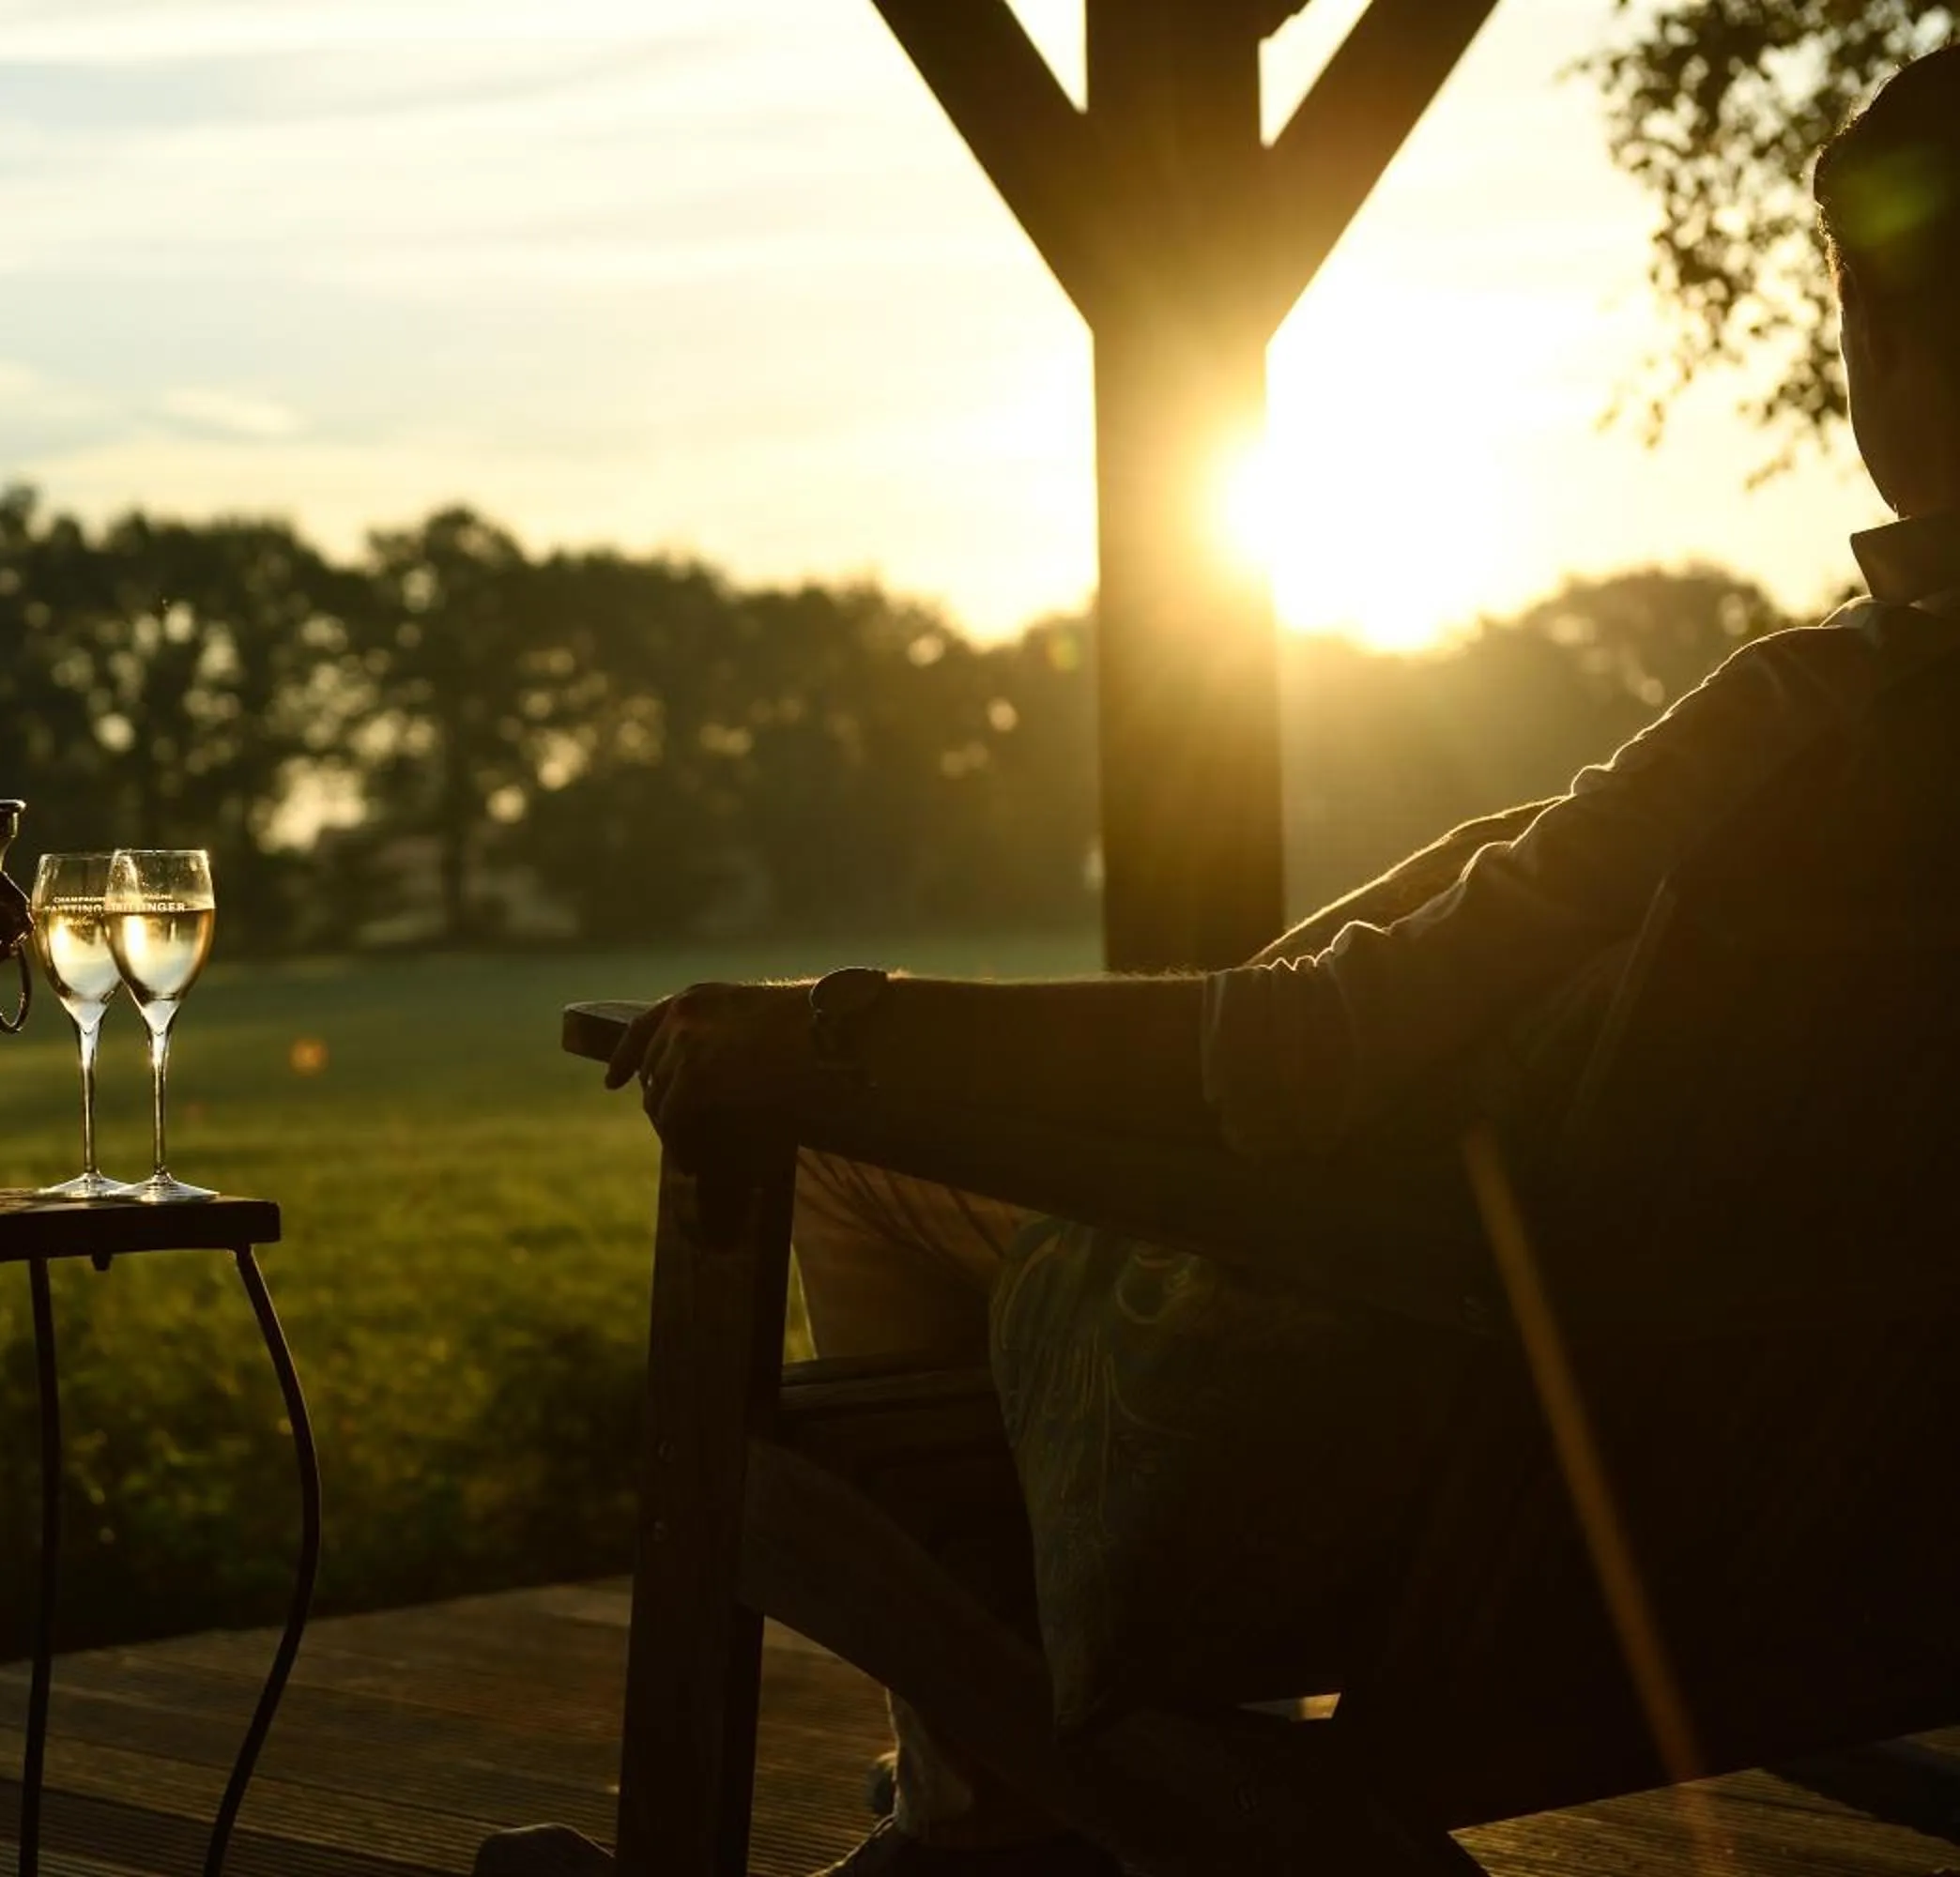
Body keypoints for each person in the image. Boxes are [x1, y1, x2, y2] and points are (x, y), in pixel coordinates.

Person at [476, 43, 1960, 1877]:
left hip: (1479, 1459)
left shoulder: (1813, 719)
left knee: (845, 1140)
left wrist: (836, 1027)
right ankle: (976, 1822)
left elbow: (1315, 1049)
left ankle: (974, 1820)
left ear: (1886, 347)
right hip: (1852, 1502)